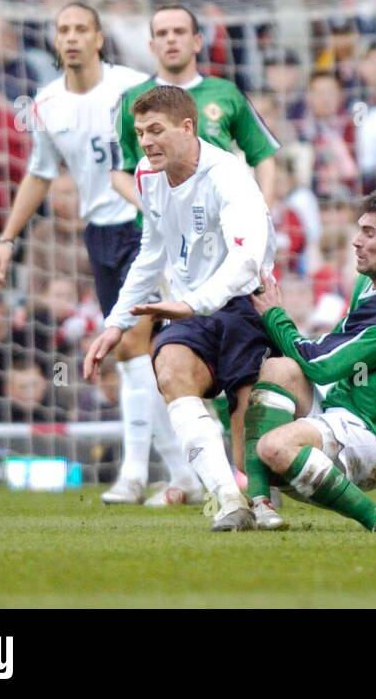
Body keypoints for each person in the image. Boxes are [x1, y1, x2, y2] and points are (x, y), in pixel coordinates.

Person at [0, 3, 200, 506]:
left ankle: (132, 473)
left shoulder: (131, 89)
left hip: (142, 226)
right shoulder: (47, 102)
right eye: (64, 30)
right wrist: (7, 238)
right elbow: (40, 174)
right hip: (98, 233)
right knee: (131, 357)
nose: (73, 38)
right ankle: (182, 473)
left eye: (82, 29)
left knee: (131, 346)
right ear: (56, 41)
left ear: (99, 38)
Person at [83, 85, 278, 532]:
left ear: (187, 128)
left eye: (156, 130)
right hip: (191, 310)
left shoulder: (229, 176)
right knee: (170, 368)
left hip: (245, 304)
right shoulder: (147, 178)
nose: (146, 142)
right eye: (140, 133)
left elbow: (248, 258)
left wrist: (194, 303)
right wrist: (116, 323)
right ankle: (227, 499)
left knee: (249, 421)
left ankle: (262, 495)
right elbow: (152, 252)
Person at [112, 3, 282, 477]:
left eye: (179, 31)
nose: (170, 40)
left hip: (232, 250)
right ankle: (175, 475)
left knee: (243, 377)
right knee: (162, 358)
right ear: (150, 44)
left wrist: (258, 218)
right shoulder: (135, 102)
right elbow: (122, 173)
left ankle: (251, 482)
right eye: (161, 32)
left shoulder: (224, 95)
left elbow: (263, 155)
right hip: (173, 251)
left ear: (196, 40)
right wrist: (158, 209)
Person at [242, 190, 376, 532]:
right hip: (342, 412)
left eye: (369, 233)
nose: (356, 242)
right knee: (278, 368)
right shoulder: (368, 281)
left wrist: (275, 315)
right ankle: (258, 506)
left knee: (274, 447)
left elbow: (323, 365)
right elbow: (333, 350)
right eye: (359, 229)